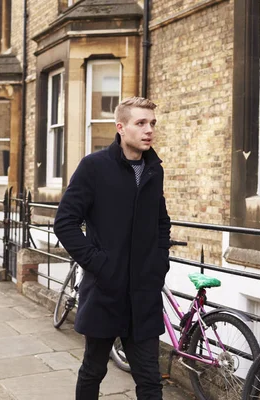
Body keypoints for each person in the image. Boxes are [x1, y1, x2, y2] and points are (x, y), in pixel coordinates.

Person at [54, 96, 171, 400]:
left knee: (150, 379)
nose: (149, 130)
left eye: (152, 124)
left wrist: (159, 265)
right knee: (94, 370)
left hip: (143, 293)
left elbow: (161, 222)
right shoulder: (94, 167)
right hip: (106, 290)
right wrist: (100, 264)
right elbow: (65, 222)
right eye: (141, 123)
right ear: (121, 127)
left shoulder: (153, 170)